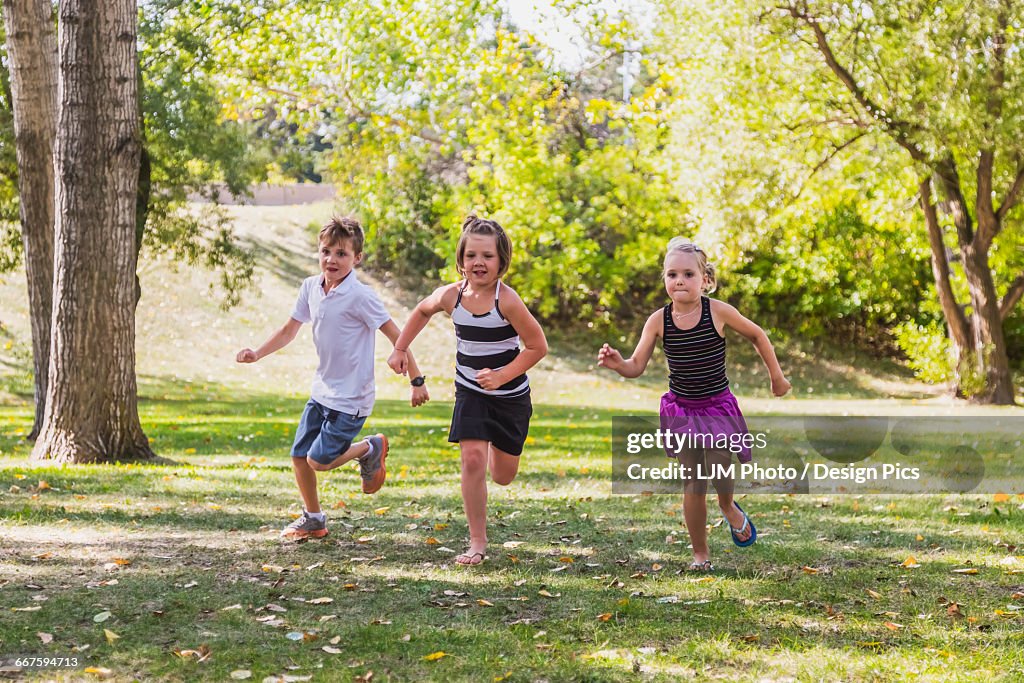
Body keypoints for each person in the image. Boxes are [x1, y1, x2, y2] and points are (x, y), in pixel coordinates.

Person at [598, 237, 790, 571]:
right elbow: (636, 366)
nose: (680, 281)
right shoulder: (659, 320)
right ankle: (700, 554)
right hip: (682, 410)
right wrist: (619, 364)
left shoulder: (717, 311)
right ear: (665, 281)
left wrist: (777, 377)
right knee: (693, 482)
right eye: (672, 275)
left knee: (719, 471)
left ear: (705, 280)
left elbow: (758, 334)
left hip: (716, 408)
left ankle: (728, 506)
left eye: (688, 274)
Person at [237, 216, 429, 539]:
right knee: (300, 456)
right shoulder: (311, 287)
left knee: (319, 461)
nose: (332, 260)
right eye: (326, 251)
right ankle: (313, 519)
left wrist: (416, 379)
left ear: (357, 258)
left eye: (341, 253)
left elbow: (399, 336)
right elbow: (288, 330)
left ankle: (369, 448)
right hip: (322, 392)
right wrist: (257, 353)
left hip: (352, 399)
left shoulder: (361, 296)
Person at [388, 215, 547, 565]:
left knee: (503, 476)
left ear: (501, 261)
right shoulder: (451, 295)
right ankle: (477, 541)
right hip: (470, 391)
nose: (479, 262)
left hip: (510, 397)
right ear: (461, 259)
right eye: (472, 255)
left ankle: (496, 450)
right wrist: (400, 348)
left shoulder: (508, 301)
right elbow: (421, 310)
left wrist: (503, 375)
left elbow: (538, 347)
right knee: (472, 458)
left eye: (488, 256)